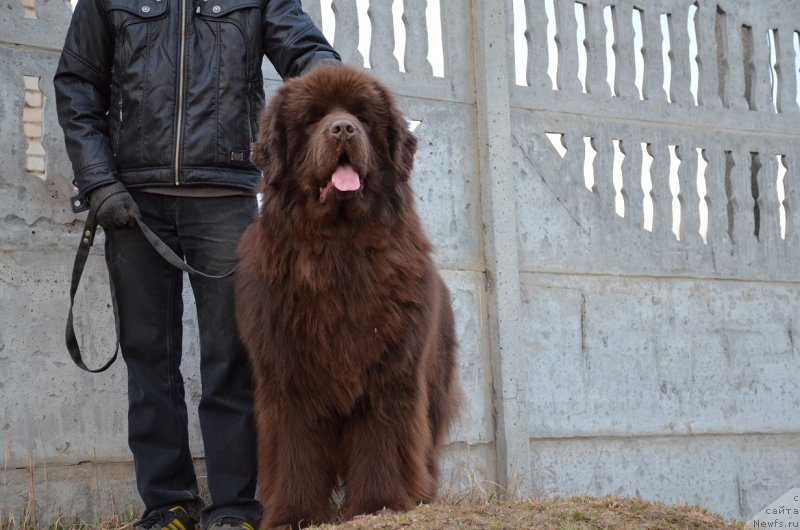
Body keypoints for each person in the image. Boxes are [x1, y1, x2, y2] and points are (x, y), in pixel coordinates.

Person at [54, 1, 339, 529]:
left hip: (224, 197)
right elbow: (77, 83)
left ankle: (234, 509)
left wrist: (340, 99)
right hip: (132, 200)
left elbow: (306, 51)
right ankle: (169, 506)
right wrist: (98, 181)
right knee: (148, 360)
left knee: (232, 359)